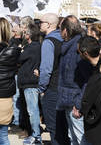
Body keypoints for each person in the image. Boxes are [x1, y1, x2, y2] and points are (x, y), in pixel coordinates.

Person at [58, 15, 90, 144]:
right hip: (68, 99)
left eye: (60, 29)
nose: (59, 33)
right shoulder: (69, 46)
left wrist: (78, 103)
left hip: (75, 102)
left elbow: (88, 79)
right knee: (73, 138)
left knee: (80, 138)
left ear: (66, 30)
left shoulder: (79, 47)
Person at [38, 13, 69, 145]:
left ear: (49, 24)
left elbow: (46, 69)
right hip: (65, 87)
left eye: (41, 22)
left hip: (52, 89)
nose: (39, 24)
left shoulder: (48, 42)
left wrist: (41, 88)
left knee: (54, 129)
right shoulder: (64, 40)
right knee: (64, 129)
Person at [17, 23, 42, 144]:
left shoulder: (32, 47)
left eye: (25, 32)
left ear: (29, 35)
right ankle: (35, 134)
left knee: (32, 111)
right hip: (31, 82)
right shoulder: (37, 46)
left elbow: (19, 58)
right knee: (33, 110)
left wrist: (20, 49)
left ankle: (36, 136)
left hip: (30, 84)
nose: (24, 34)